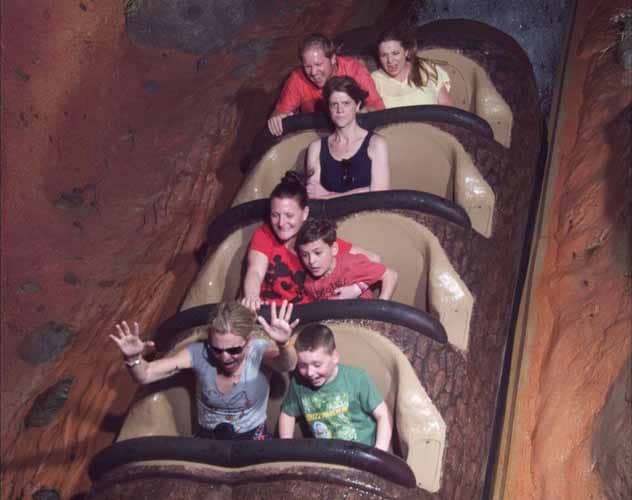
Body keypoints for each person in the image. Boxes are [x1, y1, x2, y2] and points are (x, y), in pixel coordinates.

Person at [110, 301, 299, 440]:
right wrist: (133, 358)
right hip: (208, 439)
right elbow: (146, 375)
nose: (225, 357)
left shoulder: (258, 349)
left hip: (253, 439)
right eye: (217, 349)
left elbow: (287, 364)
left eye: (234, 350)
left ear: (248, 342)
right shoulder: (197, 353)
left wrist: (284, 344)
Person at [241, 171, 381, 311]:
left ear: (305, 213)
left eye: (289, 215)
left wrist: (357, 288)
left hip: (306, 317)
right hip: (269, 311)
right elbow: (255, 271)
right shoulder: (264, 234)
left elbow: (374, 259)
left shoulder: (316, 240)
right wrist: (252, 296)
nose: (281, 223)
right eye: (275, 215)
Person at [278, 324, 392, 451]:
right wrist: (286, 446)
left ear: (335, 357)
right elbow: (288, 413)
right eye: (303, 365)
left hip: (361, 453)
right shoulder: (298, 383)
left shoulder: (357, 379)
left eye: (317, 364)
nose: (310, 372)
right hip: (327, 455)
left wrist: (380, 450)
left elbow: (383, 414)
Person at [268, 33, 384, 136]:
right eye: (308, 67)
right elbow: (279, 113)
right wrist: (277, 119)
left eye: (318, 64)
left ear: (333, 59)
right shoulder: (297, 78)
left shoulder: (354, 69)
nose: (313, 72)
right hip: (316, 135)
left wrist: (361, 113)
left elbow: (378, 110)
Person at [304, 76, 390, 199]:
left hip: (369, 215)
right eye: (334, 104)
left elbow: (379, 194)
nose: (340, 110)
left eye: (346, 103)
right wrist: (365, 190)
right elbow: (313, 194)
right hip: (329, 217)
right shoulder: (316, 148)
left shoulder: (376, 144)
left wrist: (330, 196)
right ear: (328, 109)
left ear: (357, 105)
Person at [296, 217, 398, 301]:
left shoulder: (350, 264)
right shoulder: (309, 282)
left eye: (318, 253)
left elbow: (390, 275)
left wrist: (380, 307)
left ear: (334, 249)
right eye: (305, 255)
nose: (311, 261)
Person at [371, 28, 453, 108]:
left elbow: (447, 107)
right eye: (384, 55)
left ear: (406, 52)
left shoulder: (426, 68)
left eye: (395, 53)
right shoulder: (374, 80)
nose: (390, 60)